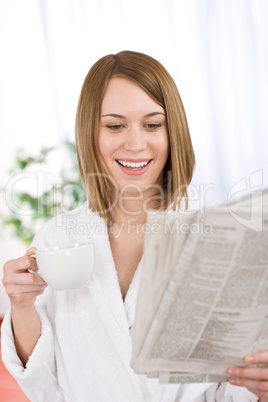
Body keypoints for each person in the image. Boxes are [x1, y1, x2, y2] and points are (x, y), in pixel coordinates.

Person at [0, 50, 266, 401]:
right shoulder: (57, 237)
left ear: (173, 133)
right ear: (90, 133)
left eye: (153, 125)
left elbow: (237, 383)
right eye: (115, 125)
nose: (136, 144)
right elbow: (42, 382)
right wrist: (20, 305)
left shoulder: (220, 237)